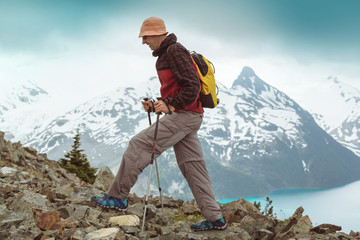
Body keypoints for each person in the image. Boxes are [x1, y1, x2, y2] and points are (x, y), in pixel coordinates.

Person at [92, 16, 227, 231]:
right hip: (189, 116)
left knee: (139, 144)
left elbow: (191, 87)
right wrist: (158, 103)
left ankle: (117, 197)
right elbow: (179, 89)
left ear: (156, 33)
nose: (143, 42)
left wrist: (170, 105)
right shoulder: (166, 55)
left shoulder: (174, 51)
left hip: (184, 116)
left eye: (145, 37)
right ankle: (215, 218)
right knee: (193, 166)